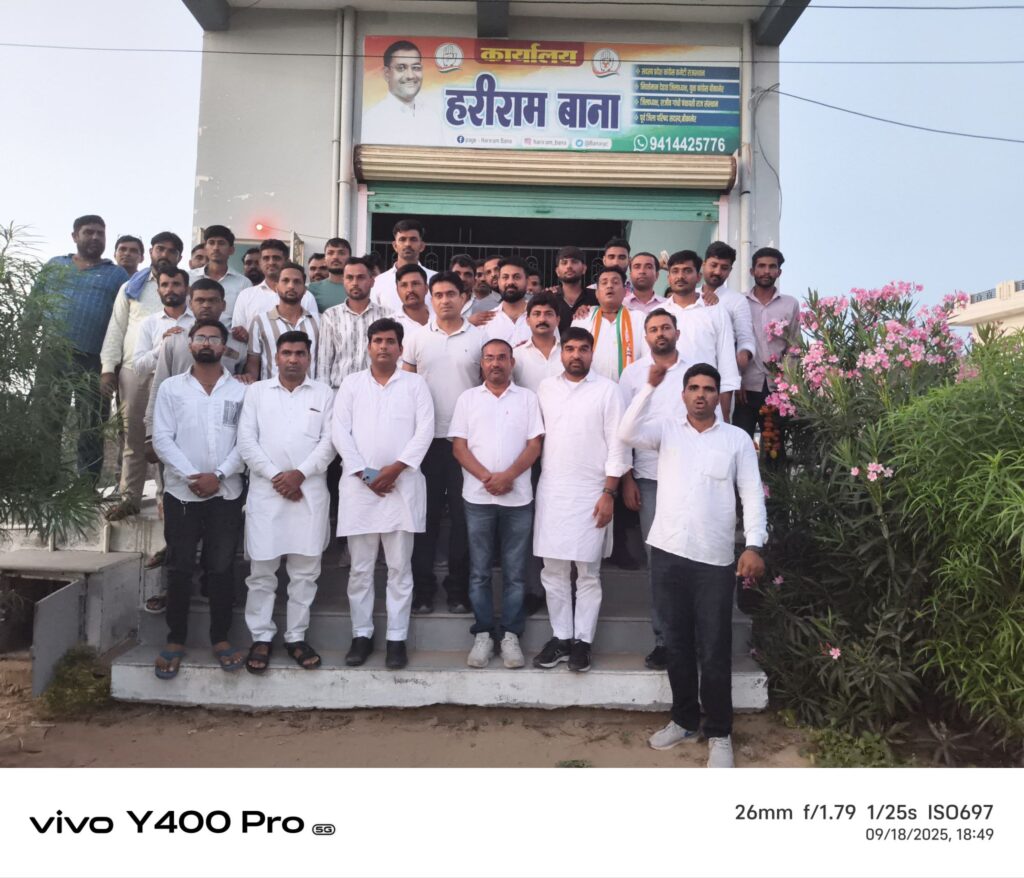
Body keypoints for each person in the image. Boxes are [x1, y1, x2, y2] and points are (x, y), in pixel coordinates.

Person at [619, 362, 767, 768]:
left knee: (715, 649)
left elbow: (752, 494)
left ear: (718, 396)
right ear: (683, 393)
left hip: (714, 560)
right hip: (668, 553)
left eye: (708, 388)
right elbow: (626, 432)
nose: (701, 394)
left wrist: (754, 544)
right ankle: (684, 721)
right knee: (676, 644)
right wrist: (649, 387)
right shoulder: (666, 430)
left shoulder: (736, 440)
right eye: (694, 388)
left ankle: (719, 733)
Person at [333, 318, 435, 670]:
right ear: (368, 346)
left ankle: (396, 638)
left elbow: (425, 431)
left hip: (401, 486)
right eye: (377, 341)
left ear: (400, 348)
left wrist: (394, 470)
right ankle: (361, 635)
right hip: (360, 489)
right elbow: (339, 432)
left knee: (399, 569)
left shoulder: (415, 384)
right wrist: (367, 473)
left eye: (390, 341)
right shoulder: (351, 384)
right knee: (360, 569)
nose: (383, 347)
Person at [150, 318, 247, 680]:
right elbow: (162, 439)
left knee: (221, 567)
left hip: (226, 492)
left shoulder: (241, 391)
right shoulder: (172, 388)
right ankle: (175, 639)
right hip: (182, 492)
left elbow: (246, 441)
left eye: (214, 338)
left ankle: (220, 638)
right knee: (179, 566)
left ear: (225, 347)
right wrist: (193, 476)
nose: (207, 343)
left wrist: (217, 476)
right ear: (190, 344)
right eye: (200, 337)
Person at [237, 330, 335, 674]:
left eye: (300, 353)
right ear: (275, 357)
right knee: (262, 572)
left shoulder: (324, 393)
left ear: (309, 358)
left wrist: (300, 475)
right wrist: (278, 476)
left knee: (305, 573)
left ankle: (296, 637)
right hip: (267, 493)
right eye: (287, 353)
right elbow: (246, 441)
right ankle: (261, 636)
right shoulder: (256, 392)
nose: (293, 359)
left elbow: (330, 442)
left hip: (308, 492)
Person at [532, 328, 629, 672]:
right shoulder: (545, 388)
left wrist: (609, 493)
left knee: (588, 572)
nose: (576, 355)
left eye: (583, 349)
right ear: (561, 353)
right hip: (553, 490)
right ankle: (561, 638)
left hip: (593, 491)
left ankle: (583, 643)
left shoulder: (608, 390)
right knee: (553, 570)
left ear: (592, 352)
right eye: (570, 348)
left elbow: (618, 445)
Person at [450, 338, 544, 669]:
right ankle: (483, 633)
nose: (495, 363)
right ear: (481, 364)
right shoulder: (467, 399)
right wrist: (488, 478)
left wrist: (509, 477)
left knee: (516, 572)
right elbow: (459, 447)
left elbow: (534, 445)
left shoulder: (528, 399)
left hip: (518, 498)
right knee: (479, 572)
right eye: (489, 358)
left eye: (502, 357)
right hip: (478, 497)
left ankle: (511, 635)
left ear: (512, 362)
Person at [402, 272, 484, 615]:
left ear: (463, 297)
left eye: (451, 294)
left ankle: (458, 590)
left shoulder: (480, 338)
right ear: (430, 299)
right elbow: (406, 390)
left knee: (464, 520)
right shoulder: (416, 339)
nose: (445, 300)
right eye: (438, 294)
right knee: (426, 517)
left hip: (467, 442)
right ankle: (423, 590)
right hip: (427, 442)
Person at [33, 214, 129, 479]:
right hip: (52, 356)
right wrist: (25, 344)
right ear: (75, 236)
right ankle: (45, 484)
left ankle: (86, 488)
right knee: (47, 420)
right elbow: (33, 307)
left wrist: (113, 365)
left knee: (91, 423)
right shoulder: (55, 266)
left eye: (100, 233)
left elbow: (123, 320)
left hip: (94, 360)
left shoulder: (116, 274)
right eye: (89, 232)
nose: (95, 237)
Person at [618, 308, 686, 670]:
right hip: (648, 479)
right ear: (645, 337)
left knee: (690, 560)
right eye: (654, 329)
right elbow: (622, 429)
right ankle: (664, 640)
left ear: (677, 333)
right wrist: (627, 477)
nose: (660, 333)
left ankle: (689, 638)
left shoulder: (694, 371)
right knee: (657, 562)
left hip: (690, 479)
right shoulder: (632, 374)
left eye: (666, 328)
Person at [101, 230, 184, 520]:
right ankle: (129, 498)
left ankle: (166, 500)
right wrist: (108, 368)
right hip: (134, 369)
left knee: (169, 437)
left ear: (179, 257)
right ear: (151, 252)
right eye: (160, 249)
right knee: (132, 438)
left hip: (173, 371)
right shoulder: (131, 287)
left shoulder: (183, 288)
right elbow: (116, 327)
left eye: (171, 251)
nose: (164, 254)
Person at [661, 250, 740, 422]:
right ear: (668, 278)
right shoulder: (657, 314)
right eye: (675, 271)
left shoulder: (715, 311)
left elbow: (727, 366)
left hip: (707, 408)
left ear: (698, 277)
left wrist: (725, 417)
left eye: (687, 271)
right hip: (664, 407)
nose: (680, 276)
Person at [734, 247, 801, 448]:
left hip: (776, 388)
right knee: (740, 443)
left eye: (772, 267)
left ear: (779, 272)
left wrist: (786, 384)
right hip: (745, 387)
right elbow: (731, 343)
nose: (766, 271)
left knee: (775, 447)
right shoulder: (739, 302)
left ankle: (773, 471)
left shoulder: (790, 304)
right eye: (761, 266)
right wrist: (736, 379)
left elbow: (794, 347)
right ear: (752, 271)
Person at [317, 256, 393, 390]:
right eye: (349, 278)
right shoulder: (331, 316)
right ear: (343, 281)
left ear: (372, 281)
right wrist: (325, 395)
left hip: (377, 391)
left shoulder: (388, 316)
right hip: (339, 391)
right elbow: (324, 363)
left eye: (361, 277)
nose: (355, 283)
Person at [571, 265, 649, 382]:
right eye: (604, 282)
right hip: (590, 388)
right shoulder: (582, 319)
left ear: (624, 292)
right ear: (597, 293)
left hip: (631, 388)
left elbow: (647, 358)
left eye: (615, 282)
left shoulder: (639, 319)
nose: (609, 286)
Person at [361, 39, 445, 146]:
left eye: (416, 68)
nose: (410, 76)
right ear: (387, 74)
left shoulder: (432, 117)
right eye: (401, 68)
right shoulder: (374, 119)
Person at [245, 262, 320, 380]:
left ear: (305, 289)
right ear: (276, 286)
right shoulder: (260, 321)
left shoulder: (319, 321)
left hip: (311, 390)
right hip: (271, 390)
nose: (291, 286)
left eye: (297, 282)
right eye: (285, 281)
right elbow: (253, 364)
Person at [231, 239, 318, 339]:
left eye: (276, 258)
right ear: (260, 262)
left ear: (287, 261)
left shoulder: (306, 296)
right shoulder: (245, 296)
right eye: (266, 258)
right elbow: (239, 333)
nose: (271, 262)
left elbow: (313, 330)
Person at [188, 225, 251, 326]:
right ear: (205, 248)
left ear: (231, 250)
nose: (216, 248)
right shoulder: (189, 278)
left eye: (221, 243)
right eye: (211, 243)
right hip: (192, 334)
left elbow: (246, 317)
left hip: (229, 335)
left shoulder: (243, 283)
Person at [371, 219, 437, 314]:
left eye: (413, 239)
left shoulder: (434, 279)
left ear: (422, 246)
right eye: (402, 239)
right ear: (395, 246)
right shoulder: (379, 282)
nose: (407, 244)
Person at [512, 292, 562, 393]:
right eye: (537, 314)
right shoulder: (515, 355)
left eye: (548, 314)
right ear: (528, 320)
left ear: (557, 320)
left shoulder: (569, 353)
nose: (542, 319)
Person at [484, 256, 532, 345]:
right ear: (498, 281)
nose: (510, 282)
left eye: (517, 277)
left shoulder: (541, 317)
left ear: (527, 281)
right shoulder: (486, 321)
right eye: (505, 277)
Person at [551, 245, 597, 334]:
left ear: (584, 269)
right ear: (557, 271)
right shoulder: (549, 299)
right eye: (564, 263)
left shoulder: (596, 297)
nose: (569, 266)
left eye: (574, 262)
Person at [307, 237, 351, 312]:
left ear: (350, 257)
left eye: (341, 253)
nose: (335, 257)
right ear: (325, 258)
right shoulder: (312, 289)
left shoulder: (359, 287)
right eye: (330, 253)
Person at [391, 263, 431, 342]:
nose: (410, 290)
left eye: (415, 284)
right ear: (397, 291)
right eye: (404, 285)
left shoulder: (441, 317)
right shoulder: (390, 323)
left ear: (426, 288)